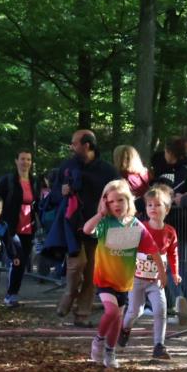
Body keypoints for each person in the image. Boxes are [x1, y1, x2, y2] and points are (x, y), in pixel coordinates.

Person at [82, 180, 166, 368]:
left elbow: (153, 250)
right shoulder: (104, 222)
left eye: (120, 200)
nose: (116, 205)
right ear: (105, 203)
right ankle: (98, 340)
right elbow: (88, 230)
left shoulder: (136, 226)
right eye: (111, 201)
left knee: (117, 319)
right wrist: (100, 213)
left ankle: (110, 352)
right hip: (104, 278)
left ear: (129, 201)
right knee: (111, 311)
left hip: (124, 282)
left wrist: (162, 272)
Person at [56, 130, 121, 327]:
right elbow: (54, 192)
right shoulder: (67, 166)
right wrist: (62, 192)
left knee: (93, 271)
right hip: (74, 225)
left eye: (74, 143)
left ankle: (82, 314)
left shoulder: (108, 170)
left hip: (99, 227)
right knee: (76, 265)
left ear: (87, 145)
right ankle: (69, 293)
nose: (72, 147)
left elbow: (120, 193)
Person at [119, 185, 181, 359]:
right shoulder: (140, 228)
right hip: (137, 279)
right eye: (149, 205)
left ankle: (159, 345)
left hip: (156, 280)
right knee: (135, 311)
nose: (153, 208)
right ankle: (124, 329)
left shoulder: (170, 232)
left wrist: (175, 273)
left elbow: (173, 253)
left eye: (158, 205)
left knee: (160, 311)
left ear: (167, 209)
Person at [0, 149, 40, 308]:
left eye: (28, 159)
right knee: (17, 259)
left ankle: (13, 294)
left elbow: (37, 203)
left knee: (23, 261)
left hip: (29, 226)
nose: (26, 162)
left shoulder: (34, 181)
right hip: (11, 226)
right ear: (16, 161)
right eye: (22, 159)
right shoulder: (7, 180)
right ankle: (9, 295)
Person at [159, 137, 187, 320]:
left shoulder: (184, 171)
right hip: (183, 225)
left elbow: (170, 192)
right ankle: (186, 307)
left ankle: (181, 304)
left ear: (171, 152)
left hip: (182, 225)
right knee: (182, 267)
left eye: (165, 151)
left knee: (176, 267)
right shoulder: (180, 170)